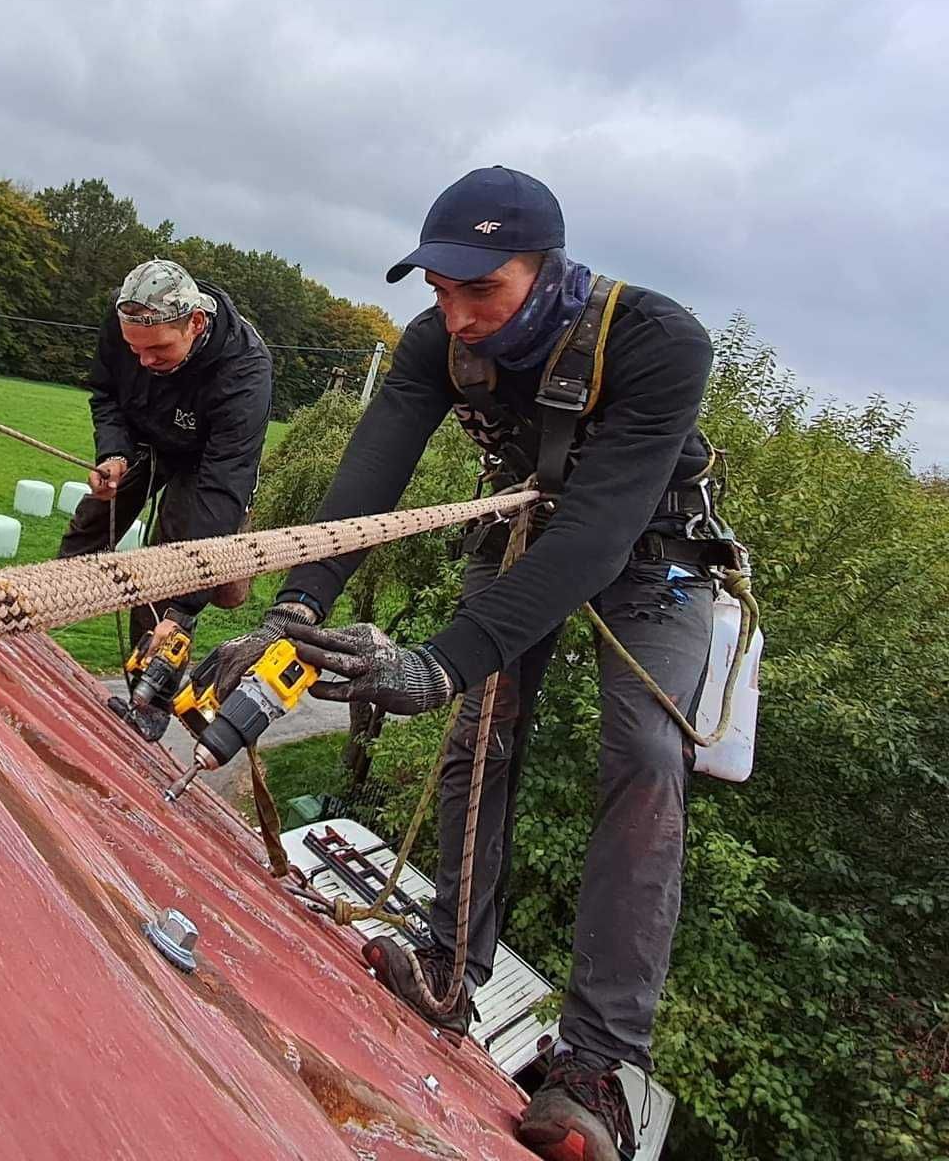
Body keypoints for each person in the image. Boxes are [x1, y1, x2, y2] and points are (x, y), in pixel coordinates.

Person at [214, 167, 725, 1161]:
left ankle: (600, 1070)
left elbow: (599, 533)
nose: (457, 317)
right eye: (440, 293)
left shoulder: (658, 341)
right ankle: (451, 964)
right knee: (479, 733)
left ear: (548, 272)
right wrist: (296, 608)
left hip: (654, 552)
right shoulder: (438, 348)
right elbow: (369, 482)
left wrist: (439, 661)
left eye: (479, 291)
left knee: (647, 756)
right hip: (526, 531)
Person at [57, 260, 273, 700]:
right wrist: (113, 453)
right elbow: (106, 393)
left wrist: (183, 607)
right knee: (93, 520)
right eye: (134, 350)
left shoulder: (246, 372)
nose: (143, 360)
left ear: (195, 323)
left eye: (157, 350)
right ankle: (28, 614)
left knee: (166, 574)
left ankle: (149, 693)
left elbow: (221, 487)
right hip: (141, 436)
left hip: (206, 464)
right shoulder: (128, 320)